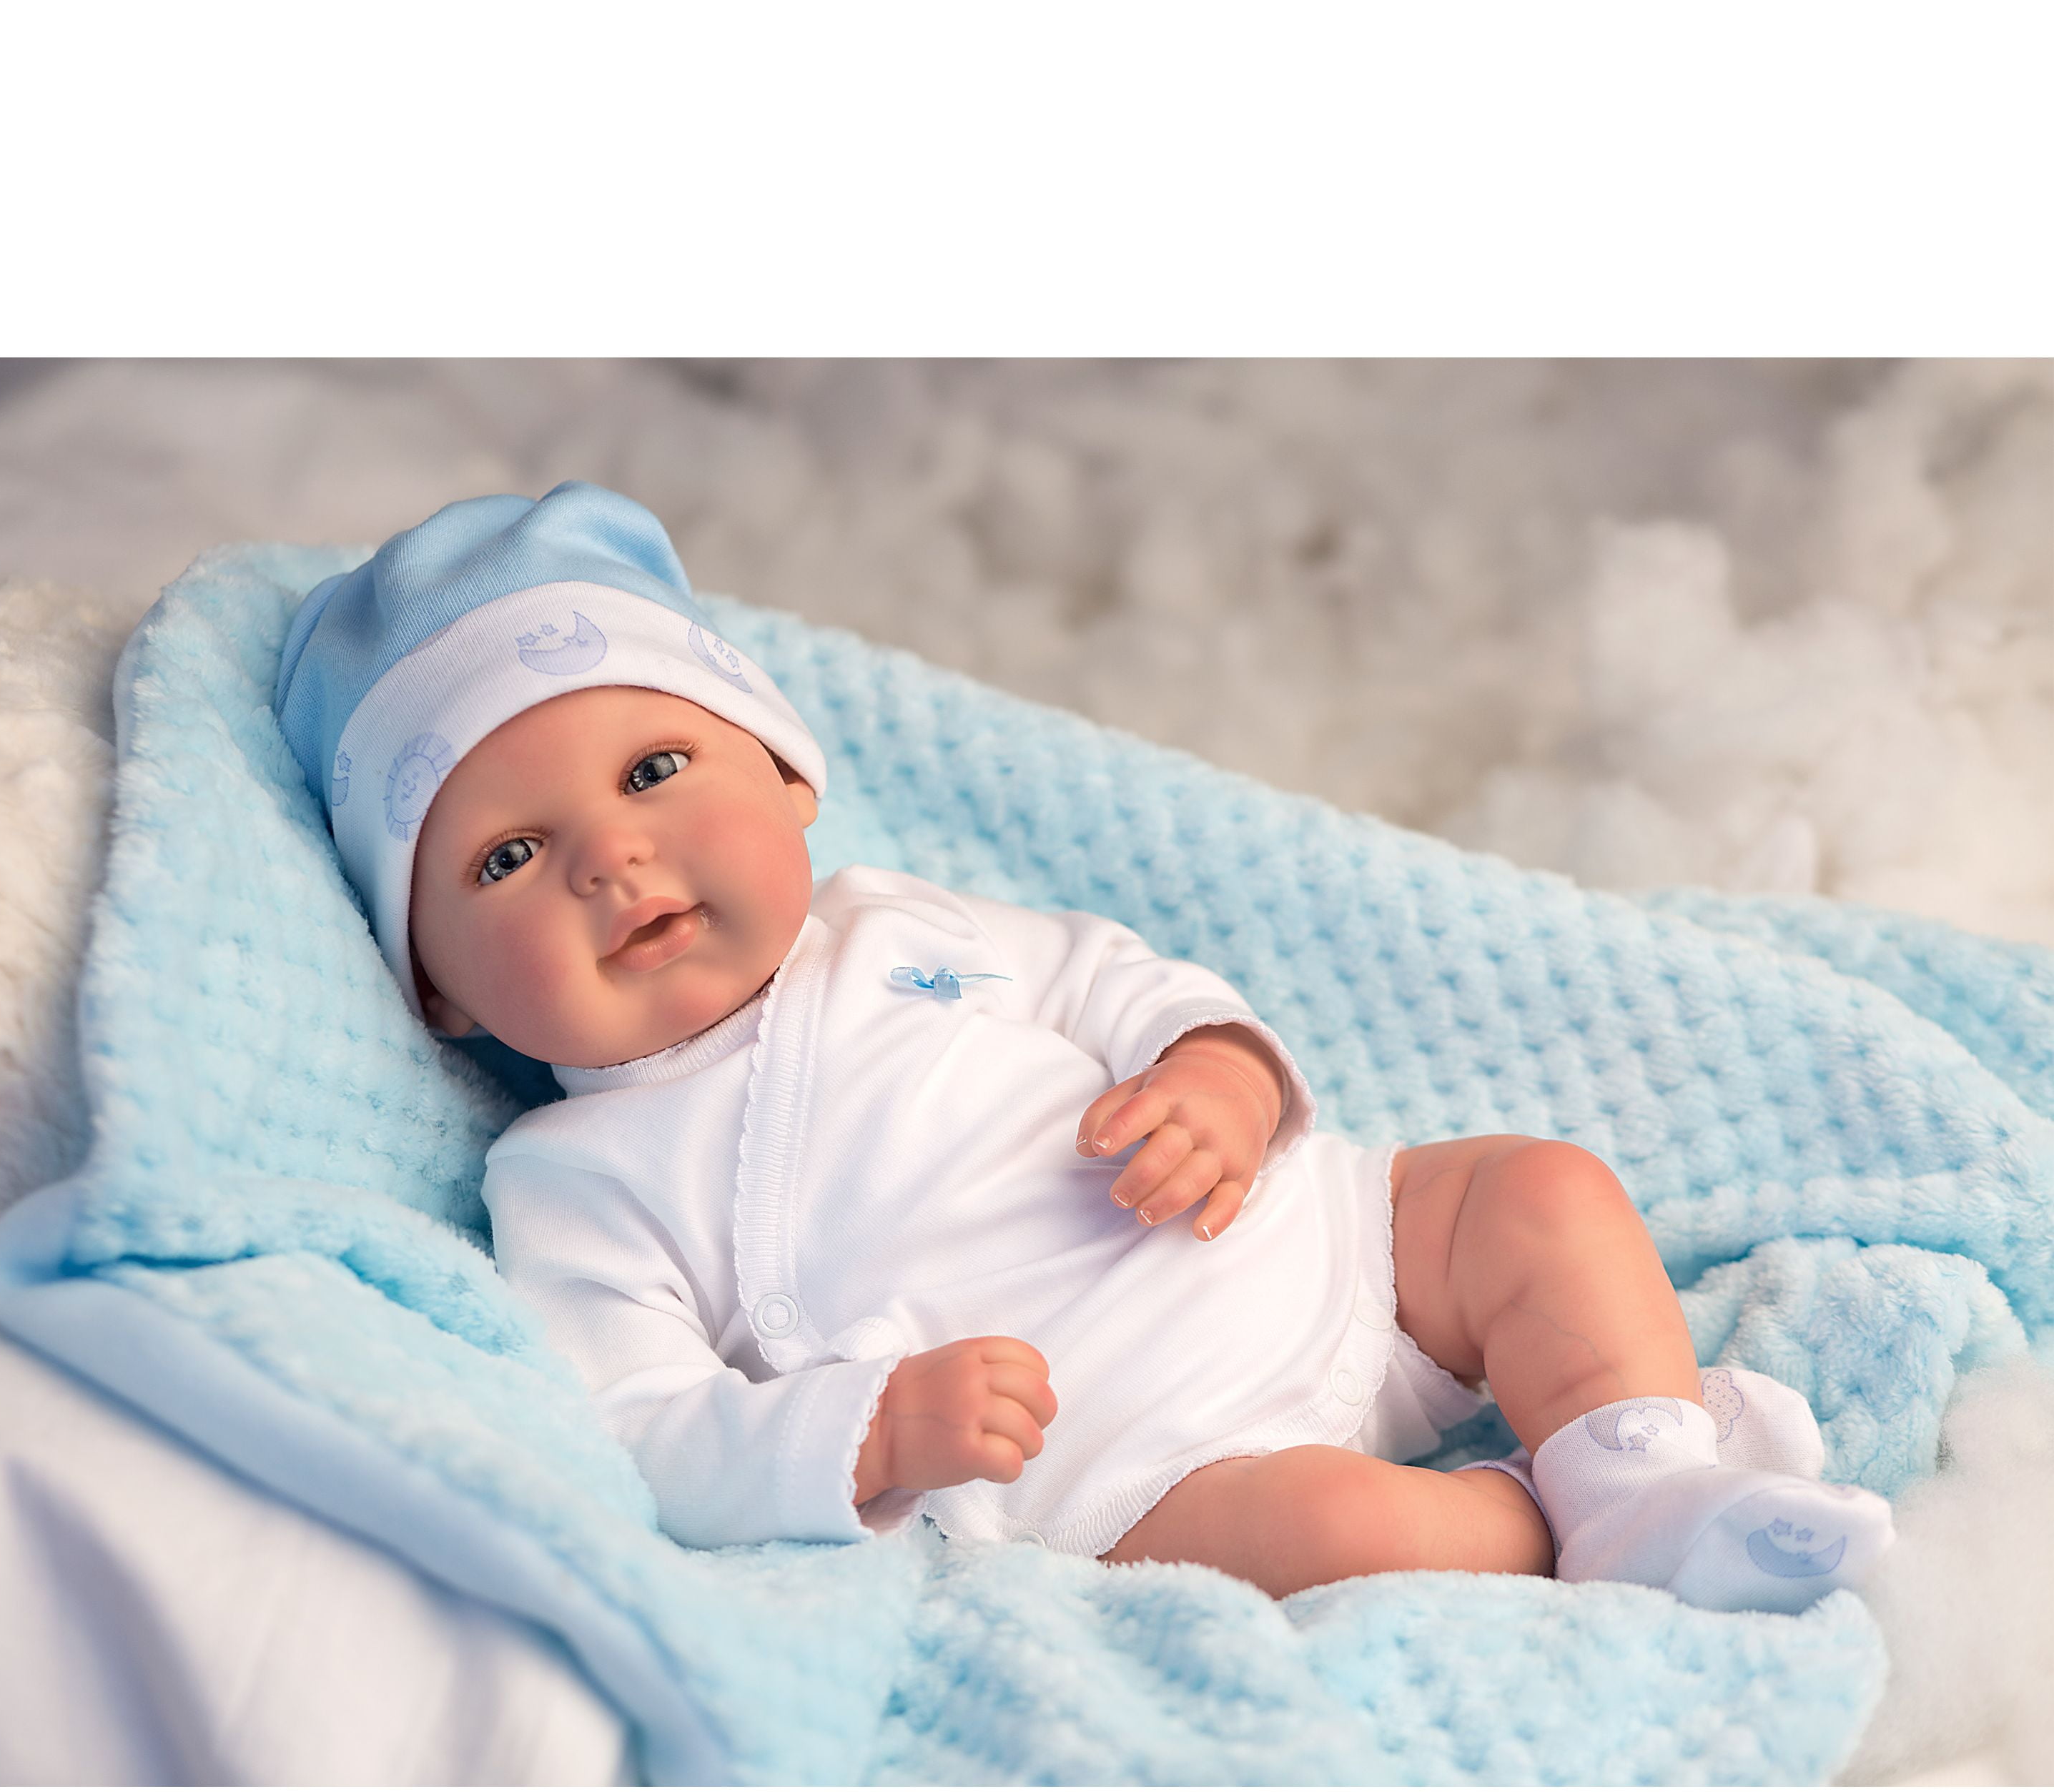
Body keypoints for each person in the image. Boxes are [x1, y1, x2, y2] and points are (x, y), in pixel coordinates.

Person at [272, 480, 1895, 1610]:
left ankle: (1641, 1476)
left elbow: (1127, 985)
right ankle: (1567, 1522)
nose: (611, 859)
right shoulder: (576, 1179)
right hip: (1147, 1461)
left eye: (651, 772)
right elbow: (640, 1428)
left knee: (1537, 1194)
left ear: (786, 776)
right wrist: (866, 1433)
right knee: (1346, 1532)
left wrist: (1216, 1079)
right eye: (504, 857)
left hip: (1312, 1241)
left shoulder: (900, 924)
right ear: (439, 992)